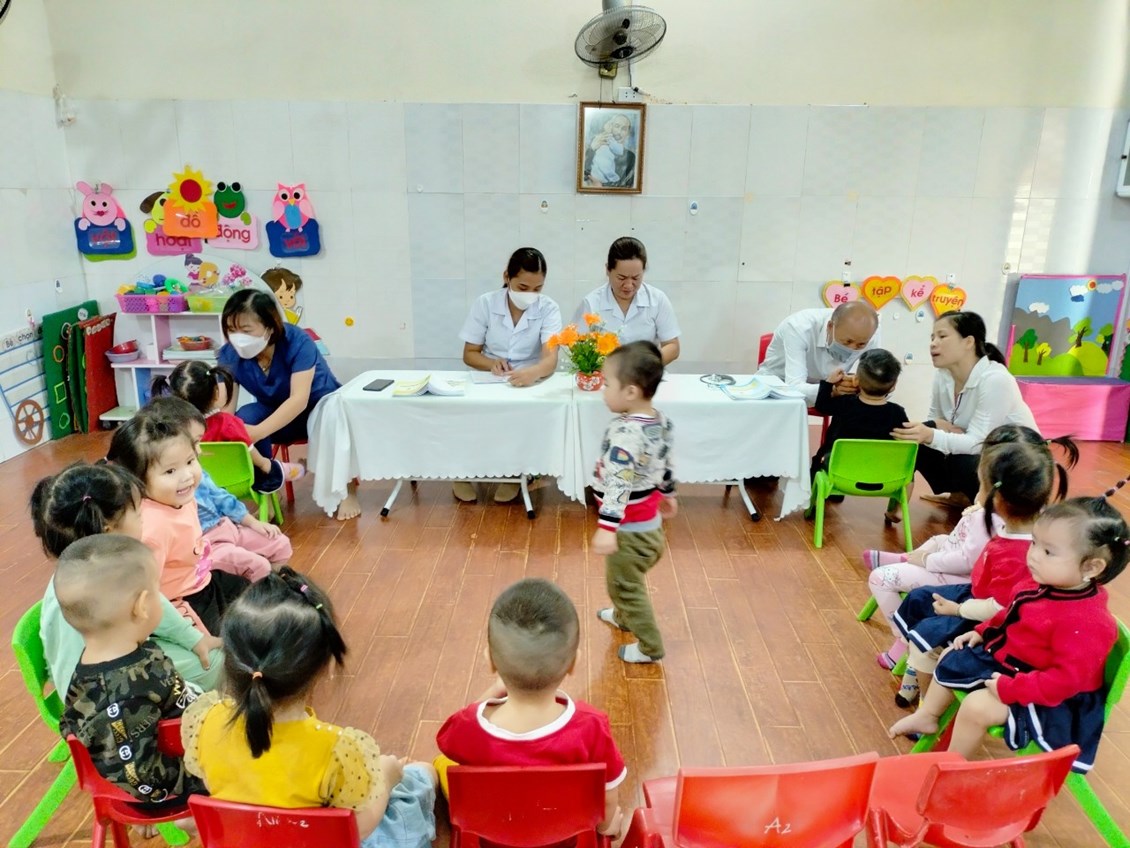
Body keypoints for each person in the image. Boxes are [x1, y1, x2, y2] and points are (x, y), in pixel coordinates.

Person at [182, 568, 438, 848]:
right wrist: (387, 778)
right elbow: (360, 828)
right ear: (327, 666)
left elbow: (215, 787)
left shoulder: (206, 721)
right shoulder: (335, 749)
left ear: (231, 662)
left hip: (247, 839)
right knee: (420, 775)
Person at [890, 493, 1129, 773]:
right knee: (952, 654)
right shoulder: (1045, 582)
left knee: (977, 707)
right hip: (1019, 665)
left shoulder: (1090, 623)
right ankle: (928, 715)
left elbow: (1066, 682)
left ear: (1092, 567)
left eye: (1048, 552)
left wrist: (1011, 688)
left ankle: (950, 768)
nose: (1033, 555)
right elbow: (1012, 611)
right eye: (1035, 543)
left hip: (1053, 696)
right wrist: (983, 631)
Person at [864, 425, 1078, 671]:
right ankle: (904, 560)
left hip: (963, 582)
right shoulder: (1025, 517)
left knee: (881, 579)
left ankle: (902, 639)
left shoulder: (994, 522)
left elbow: (969, 563)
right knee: (937, 543)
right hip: (964, 573)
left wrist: (927, 561)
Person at [435, 578, 626, 837]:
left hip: (493, 836)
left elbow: (445, 740)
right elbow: (608, 794)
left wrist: (492, 692)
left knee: (440, 764)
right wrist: (607, 826)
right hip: (564, 837)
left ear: (490, 661)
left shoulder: (468, 728)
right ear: (573, 664)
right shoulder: (592, 727)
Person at [889, 439, 1061, 708]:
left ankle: (925, 702)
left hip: (989, 618)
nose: (976, 491)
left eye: (980, 485)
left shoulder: (1020, 553)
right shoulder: (1017, 527)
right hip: (976, 595)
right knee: (920, 599)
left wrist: (958, 610)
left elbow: (1002, 608)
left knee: (926, 636)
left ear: (998, 500)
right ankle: (913, 664)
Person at [31, 462, 223, 692]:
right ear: (110, 530)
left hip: (118, 665)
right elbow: (75, 680)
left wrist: (193, 639)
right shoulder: (97, 587)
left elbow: (156, 605)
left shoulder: (95, 568)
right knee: (219, 666)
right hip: (107, 694)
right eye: (140, 515)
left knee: (212, 659)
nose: (144, 521)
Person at [57, 534, 204, 805]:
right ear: (142, 606)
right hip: (180, 784)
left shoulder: (109, 659)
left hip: (191, 733)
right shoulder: (121, 698)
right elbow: (141, 777)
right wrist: (205, 780)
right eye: (158, 591)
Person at [108, 400, 250, 637]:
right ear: (137, 479)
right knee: (217, 647)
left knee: (248, 595)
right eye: (170, 471)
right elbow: (146, 590)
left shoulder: (181, 497)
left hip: (200, 580)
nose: (187, 476)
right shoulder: (153, 527)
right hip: (180, 600)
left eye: (190, 462)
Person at [216, 289, 354, 519]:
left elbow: (299, 400)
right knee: (244, 419)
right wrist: (225, 431)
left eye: (246, 330)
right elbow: (226, 410)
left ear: (270, 327)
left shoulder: (297, 342)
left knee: (332, 416)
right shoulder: (229, 354)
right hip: (274, 412)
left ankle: (347, 491)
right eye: (231, 330)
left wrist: (258, 432)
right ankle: (268, 495)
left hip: (316, 409)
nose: (237, 338)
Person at [892, 311, 1037, 505]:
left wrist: (931, 434)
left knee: (960, 454)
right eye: (932, 337)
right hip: (982, 454)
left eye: (942, 336)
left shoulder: (995, 379)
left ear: (968, 342)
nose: (933, 343)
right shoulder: (943, 375)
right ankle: (957, 495)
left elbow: (978, 442)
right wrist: (932, 430)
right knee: (918, 442)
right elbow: (936, 419)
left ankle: (995, 505)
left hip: (1018, 465)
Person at [591, 341, 677, 664]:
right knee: (623, 583)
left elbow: (619, 482)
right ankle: (623, 617)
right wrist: (668, 493)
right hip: (648, 527)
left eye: (606, 384)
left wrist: (607, 527)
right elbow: (665, 461)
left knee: (625, 587)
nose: (603, 391)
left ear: (630, 392)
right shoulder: (660, 422)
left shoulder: (626, 434)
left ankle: (650, 647)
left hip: (629, 533)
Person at [456, 247, 563, 504]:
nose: (530, 295)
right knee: (473, 419)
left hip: (530, 379)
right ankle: (462, 473)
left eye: (537, 289)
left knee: (522, 419)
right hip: (491, 378)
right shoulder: (486, 303)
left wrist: (533, 372)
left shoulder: (548, 308)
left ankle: (515, 474)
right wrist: (491, 363)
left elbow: (550, 359)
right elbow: (470, 354)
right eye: (523, 287)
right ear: (507, 277)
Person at [158, 396, 294, 583]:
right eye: (196, 442)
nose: (200, 450)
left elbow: (221, 497)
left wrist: (253, 523)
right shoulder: (170, 487)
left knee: (281, 544)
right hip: (208, 544)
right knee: (259, 566)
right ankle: (260, 594)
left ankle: (270, 586)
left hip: (227, 527)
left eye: (199, 441)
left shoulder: (197, 471)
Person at [152, 360, 305, 494]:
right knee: (272, 468)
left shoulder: (176, 429)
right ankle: (299, 470)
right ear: (216, 393)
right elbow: (249, 449)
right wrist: (265, 464)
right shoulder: (229, 423)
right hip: (238, 482)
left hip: (198, 487)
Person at [575, 237, 681, 364]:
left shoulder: (657, 300)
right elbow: (577, 347)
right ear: (608, 270)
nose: (629, 285)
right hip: (604, 374)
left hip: (646, 373)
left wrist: (646, 366)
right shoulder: (591, 303)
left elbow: (672, 346)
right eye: (621, 278)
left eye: (636, 278)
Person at [757, 301, 882, 406]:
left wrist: (857, 384)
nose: (852, 349)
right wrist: (830, 388)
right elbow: (794, 387)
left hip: (830, 388)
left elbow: (875, 379)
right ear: (830, 326)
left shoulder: (870, 333)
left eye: (861, 345)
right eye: (847, 341)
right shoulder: (798, 327)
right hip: (779, 384)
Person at [810, 348, 907, 477]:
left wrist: (828, 383)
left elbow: (822, 406)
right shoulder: (898, 413)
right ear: (893, 386)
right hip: (881, 475)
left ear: (855, 380)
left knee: (818, 461)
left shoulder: (844, 404)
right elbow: (905, 442)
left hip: (839, 472)